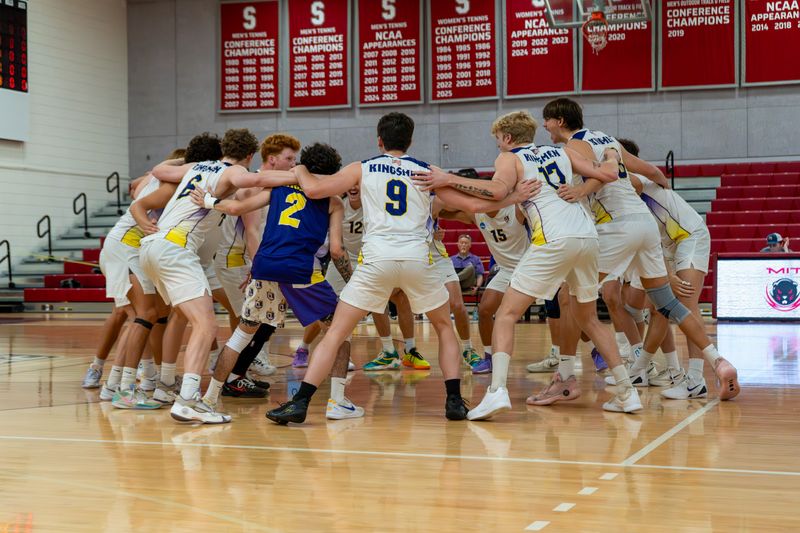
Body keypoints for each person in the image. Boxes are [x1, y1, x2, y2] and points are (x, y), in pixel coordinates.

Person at [265, 112, 531, 424]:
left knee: (336, 332)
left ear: (379, 140)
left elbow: (312, 191)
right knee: (444, 328)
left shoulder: (361, 168)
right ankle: (455, 401)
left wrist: (300, 170)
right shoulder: (426, 171)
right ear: (410, 141)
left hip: (377, 259)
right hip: (418, 259)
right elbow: (473, 206)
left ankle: (300, 403)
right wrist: (513, 196)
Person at [413, 110, 642, 417]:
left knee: (506, 314)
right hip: (587, 237)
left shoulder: (510, 158)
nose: (497, 146)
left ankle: (497, 392)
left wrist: (446, 178)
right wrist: (612, 154)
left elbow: (495, 191)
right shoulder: (562, 152)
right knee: (588, 318)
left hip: (553, 239)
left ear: (507, 138)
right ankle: (628, 393)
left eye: (497, 140)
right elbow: (608, 174)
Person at [547, 98, 739, 400]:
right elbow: (652, 170)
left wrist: (581, 189)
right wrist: (666, 191)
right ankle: (706, 364)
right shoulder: (608, 142)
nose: (545, 127)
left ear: (558, 121)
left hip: (670, 232)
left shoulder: (580, 149)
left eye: (547, 121)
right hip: (652, 231)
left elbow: (609, 176)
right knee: (660, 303)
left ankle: (572, 375)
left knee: (573, 297)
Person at [132, 128, 297, 424]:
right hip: (176, 248)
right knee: (205, 325)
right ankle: (187, 400)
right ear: (248, 156)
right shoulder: (233, 170)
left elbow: (158, 169)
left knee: (191, 321)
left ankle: (172, 386)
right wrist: (299, 177)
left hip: (152, 249)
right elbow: (257, 179)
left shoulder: (195, 166)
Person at [194, 142, 364, 421]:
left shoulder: (279, 188)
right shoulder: (333, 201)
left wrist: (209, 201)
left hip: (265, 265)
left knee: (242, 333)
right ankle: (338, 401)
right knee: (339, 333)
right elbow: (336, 250)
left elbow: (237, 208)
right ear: (333, 172)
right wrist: (354, 282)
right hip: (300, 270)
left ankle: (209, 400)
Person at [620, 138, 740, 400]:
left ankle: (695, 379)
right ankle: (642, 369)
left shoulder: (633, 181)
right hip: (668, 245)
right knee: (659, 309)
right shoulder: (620, 192)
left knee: (686, 303)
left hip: (689, 236)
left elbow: (647, 174)